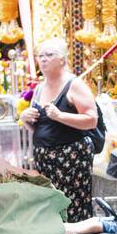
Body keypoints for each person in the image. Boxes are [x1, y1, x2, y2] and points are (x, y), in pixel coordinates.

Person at [19, 37, 97, 221]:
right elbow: (40, 127)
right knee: (50, 207)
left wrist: (60, 115)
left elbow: (91, 120)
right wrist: (25, 118)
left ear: (62, 59)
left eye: (49, 55)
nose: (43, 59)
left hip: (71, 158)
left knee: (72, 205)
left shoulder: (74, 85)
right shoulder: (39, 88)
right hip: (45, 160)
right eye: (40, 55)